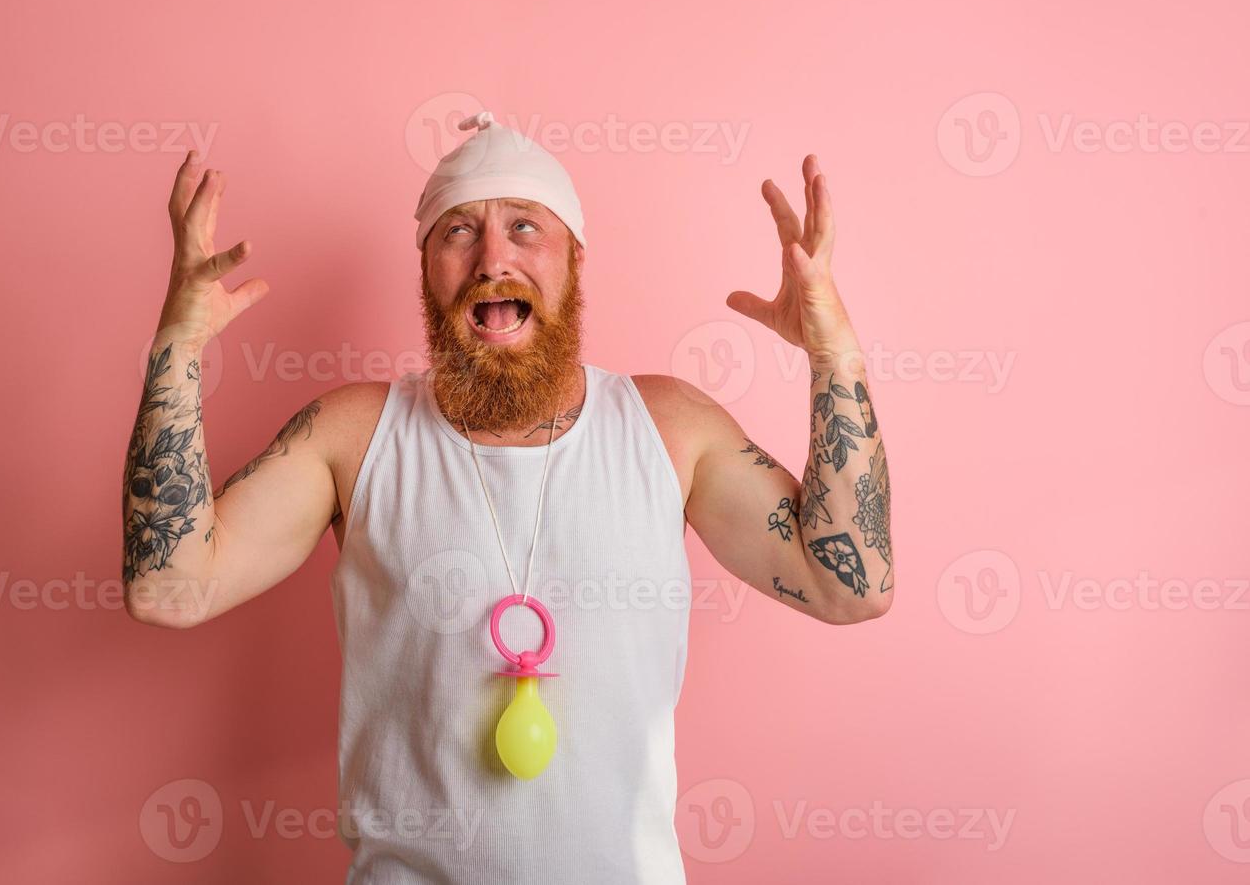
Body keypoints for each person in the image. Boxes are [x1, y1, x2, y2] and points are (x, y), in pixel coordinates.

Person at [120, 110, 894, 883]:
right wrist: (177, 348)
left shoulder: (669, 428)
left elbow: (846, 587)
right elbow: (169, 589)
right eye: (457, 231)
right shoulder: (350, 436)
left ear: (574, 261)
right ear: (424, 267)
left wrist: (834, 354)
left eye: (525, 227)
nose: (492, 258)